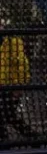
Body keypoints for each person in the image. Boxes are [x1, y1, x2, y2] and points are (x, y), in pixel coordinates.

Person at [0, 11, 33, 142]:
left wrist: (18, 86)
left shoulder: (12, 43)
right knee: (9, 117)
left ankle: (31, 138)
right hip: (4, 85)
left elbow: (21, 65)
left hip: (9, 86)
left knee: (9, 117)